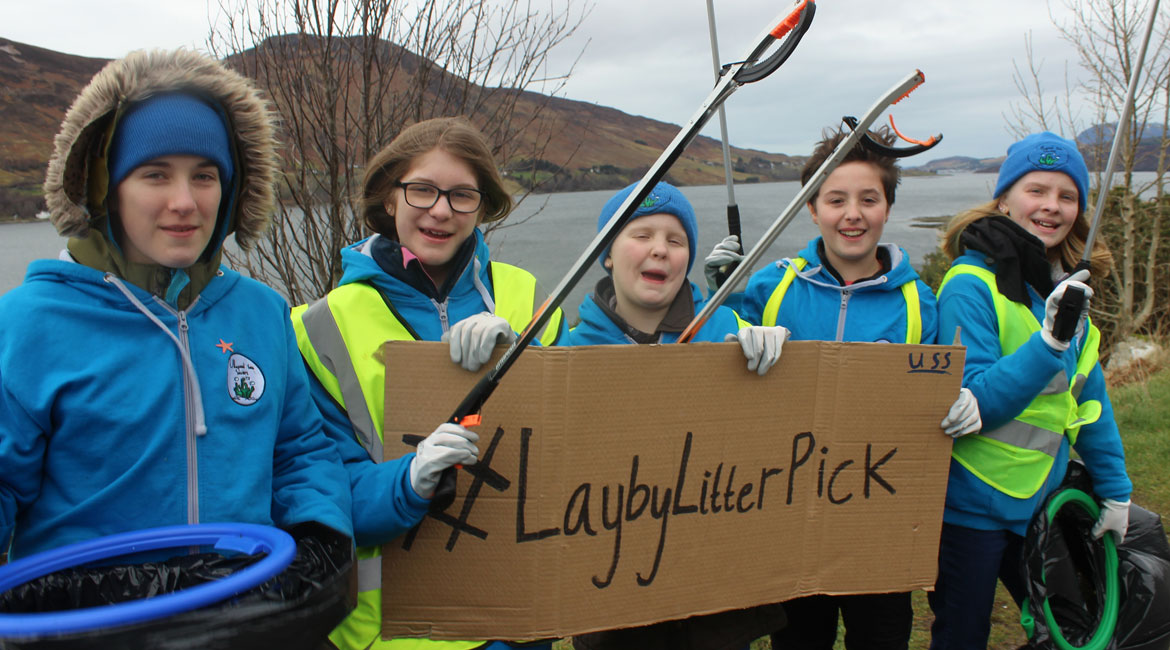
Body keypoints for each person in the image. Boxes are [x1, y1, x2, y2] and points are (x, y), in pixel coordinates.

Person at [0, 49, 352, 562]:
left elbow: (300, 451)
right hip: (86, 607)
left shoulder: (261, 312)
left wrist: (319, 535)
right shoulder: (31, 322)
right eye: (155, 175)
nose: (185, 202)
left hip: (246, 602)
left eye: (204, 176)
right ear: (106, 190)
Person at [291, 116, 565, 650]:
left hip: (514, 625)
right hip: (390, 634)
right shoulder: (321, 327)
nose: (441, 210)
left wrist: (524, 361)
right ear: (389, 197)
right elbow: (322, 493)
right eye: (422, 190)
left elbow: (576, 441)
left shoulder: (530, 300)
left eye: (462, 195)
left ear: (482, 206)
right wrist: (407, 482)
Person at [707, 127, 980, 650]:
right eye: (836, 200)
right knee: (800, 640)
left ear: (887, 207)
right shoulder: (772, 287)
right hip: (789, 520)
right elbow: (720, 374)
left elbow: (938, 391)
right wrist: (720, 303)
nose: (852, 214)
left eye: (868, 199)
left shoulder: (920, 303)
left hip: (879, 525)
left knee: (881, 637)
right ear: (812, 209)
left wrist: (963, 399)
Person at [927, 131, 1131, 649]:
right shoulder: (969, 284)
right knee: (962, 635)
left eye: (1067, 196)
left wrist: (1116, 491)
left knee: (1067, 633)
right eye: (1036, 190)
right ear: (1004, 199)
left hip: (1041, 505)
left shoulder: (1070, 296)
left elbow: (1089, 404)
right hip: (969, 507)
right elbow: (972, 402)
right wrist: (1047, 343)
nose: (1051, 206)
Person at [566, 180, 790, 650]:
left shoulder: (729, 332)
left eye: (676, 239)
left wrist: (777, 363)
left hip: (716, 604)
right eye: (641, 234)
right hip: (612, 601)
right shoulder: (567, 353)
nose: (660, 250)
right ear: (607, 255)